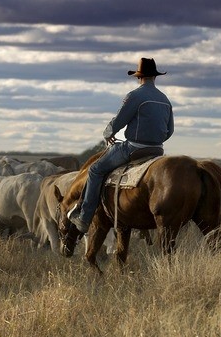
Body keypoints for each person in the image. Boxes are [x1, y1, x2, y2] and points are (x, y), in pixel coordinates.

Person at [67, 57, 174, 233]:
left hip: (134, 148)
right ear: (154, 77)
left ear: (139, 77)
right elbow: (169, 130)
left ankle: (84, 218)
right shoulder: (164, 99)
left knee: (95, 170)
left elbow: (120, 120)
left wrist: (108, 132)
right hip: (157, 150)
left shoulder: (135, 95)